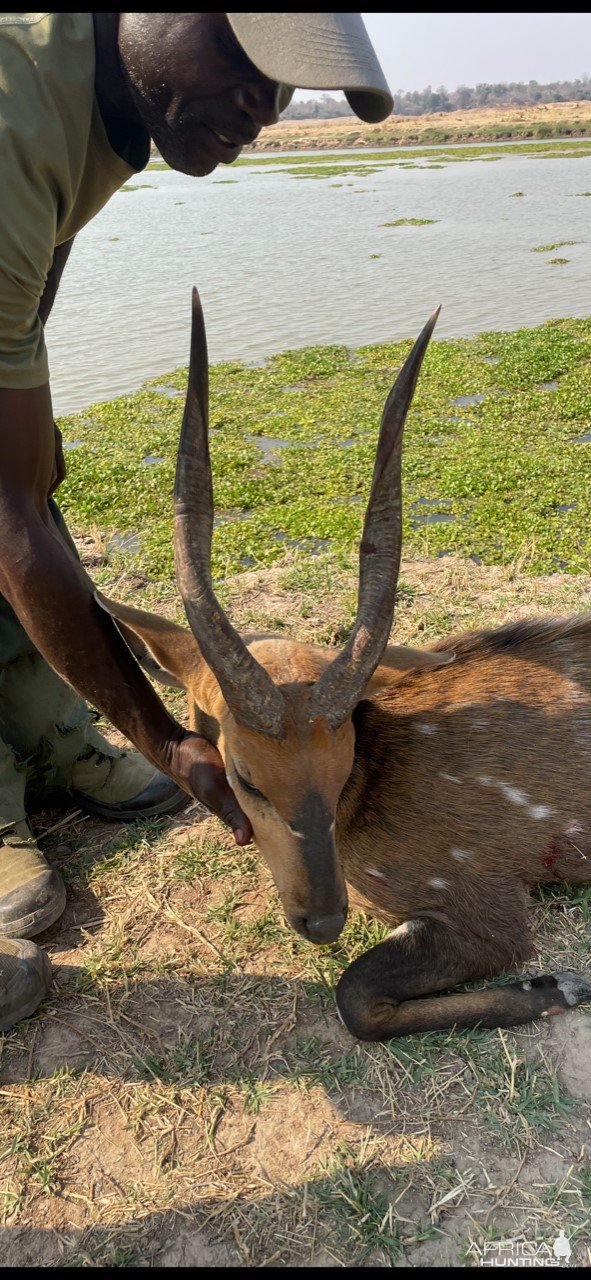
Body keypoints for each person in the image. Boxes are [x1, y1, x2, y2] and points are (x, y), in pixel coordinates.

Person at [0, 12, 393, 1032]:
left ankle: (45, 736)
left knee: (31, 471)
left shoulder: (124, 99)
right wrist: (166, 737)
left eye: (287, 86)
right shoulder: (11, 109)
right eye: (245, 59)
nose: (264, 108)